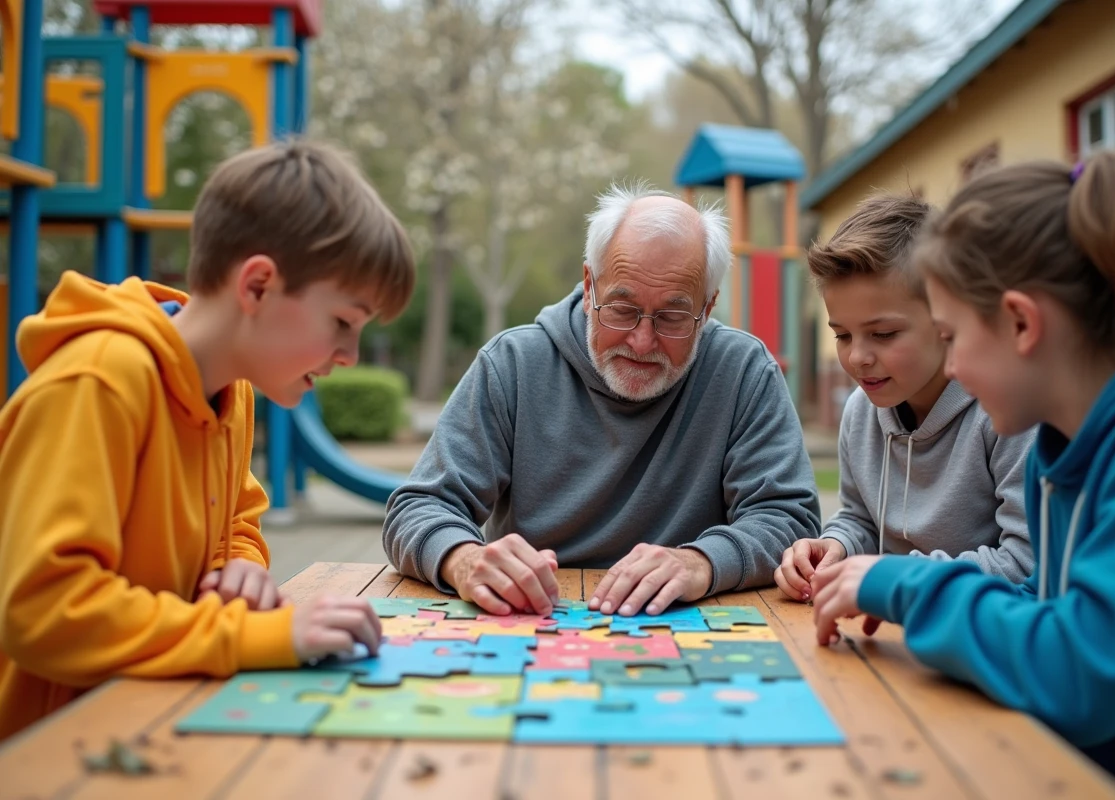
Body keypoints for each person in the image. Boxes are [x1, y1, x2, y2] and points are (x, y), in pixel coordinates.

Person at [813, 151, 1115, 800]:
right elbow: (1050, 606)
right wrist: (882, 578)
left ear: (1021, 323)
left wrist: (909, 587)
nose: (953, 368)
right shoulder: (1064, 437)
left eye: (951, 334)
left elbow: (1085, 671)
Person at [0, 139, 415, 740]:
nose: (349, 356)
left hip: (145, 723)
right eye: (342, 323)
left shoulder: (232, 388)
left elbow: (237, 523)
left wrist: (236, 567)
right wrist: (259, 635)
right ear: (257, 286)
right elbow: (45, 611)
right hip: (44, 750)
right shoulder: (99, 383)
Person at [385, 182, 822, 618]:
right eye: (621, 308)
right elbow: (419, 506)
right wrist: (462, 559)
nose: (642, 340)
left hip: (686, 621)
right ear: (590, 283)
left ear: (707, 310)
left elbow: (790, 521)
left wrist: (701, 562)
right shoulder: (513, 364)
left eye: (672, 317)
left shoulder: (744, 371)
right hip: (529, 619)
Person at [774, 194, 1033, 604]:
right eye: (842, 335)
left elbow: (1025, 564)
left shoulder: (1006, 413)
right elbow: (860, 518)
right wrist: (835, 546)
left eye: (884, 334)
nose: (857, 357)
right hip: (888, 626)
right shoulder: (861, 411)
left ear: (946, 319)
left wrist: (894, 576)